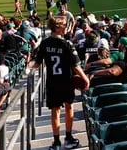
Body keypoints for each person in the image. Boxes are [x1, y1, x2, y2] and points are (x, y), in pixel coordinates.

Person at [29, 16, 88, 150]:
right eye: (64, 25)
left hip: (52, 82)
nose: (66, 26)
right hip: (66, 81)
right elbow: (75, 65)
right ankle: (68, 137)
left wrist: (29, 72)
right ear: (57, 27)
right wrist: (85, 78)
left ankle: (56, 142)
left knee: (55, 111)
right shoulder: (67, 44)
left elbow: (37, 63)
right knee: (69, 107)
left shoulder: (45, 43)